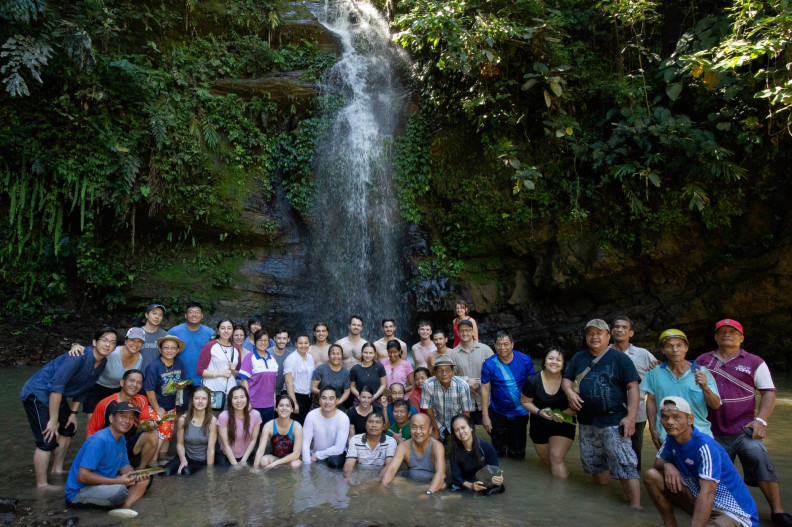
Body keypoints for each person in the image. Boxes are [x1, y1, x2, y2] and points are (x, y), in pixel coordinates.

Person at [695, 319, 792, 526]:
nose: (727, 335)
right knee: (713, 473)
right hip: (712, 430)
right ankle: (718, 510)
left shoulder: (755, 362)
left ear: (741, 337)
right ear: (715, 336)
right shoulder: (703, 361)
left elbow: (768, 393)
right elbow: (686, 379)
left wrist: (760, 421)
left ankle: (777, 511)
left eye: (733, 332)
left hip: (744, 428)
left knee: (758, 456)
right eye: (722, 332)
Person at [561, 318, 642, 509]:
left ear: (608, 335)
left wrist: (630, 418)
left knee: (625, 464)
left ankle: (636, 507)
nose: (594, 337)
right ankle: (603, 503)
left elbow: (633, 387)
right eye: (590, 333)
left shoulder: (620, 358)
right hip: (587, 421)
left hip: (613, 419)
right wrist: (570, 392)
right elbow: (567, 379)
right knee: (595, 463)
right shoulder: (579, 357)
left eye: (599, 333)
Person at [21, 327, 114, 489]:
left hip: (56, 395)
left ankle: (57, 469)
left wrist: (73, 413)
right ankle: (42, 485)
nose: (107, 345)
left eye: (112, 342)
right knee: (47, 438)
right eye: (104, 340)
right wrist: (53, 420)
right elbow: (56, 387)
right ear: (94, 342)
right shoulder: (77, 357)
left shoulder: (102, 362)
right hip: (38, 392)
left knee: (68, 428)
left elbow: (85, 387)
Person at [643, 396, 759, 527]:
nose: (669, 422)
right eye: (665, 417)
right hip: (702, 501)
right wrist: (667, 465)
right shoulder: (672, 439)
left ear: (690, 419)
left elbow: (708, 492)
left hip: (732, 513)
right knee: (651, 476)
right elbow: (657, 464)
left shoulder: (705, 447)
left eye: (676, 417)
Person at [64, 402, 151, 517]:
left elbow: (124, 466)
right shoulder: (99, 440)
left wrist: (135, 475)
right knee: (120, 490)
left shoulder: (121, 438)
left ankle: (124, 506)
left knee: (145, 478)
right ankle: (118, 503)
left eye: (131, 418)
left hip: (104, 482)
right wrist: (119, 481)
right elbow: (83, 476)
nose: (127, 421)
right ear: (111, 418)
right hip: (79, 492)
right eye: (123, 416)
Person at [643, 329, 720, 449]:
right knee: (665, 467)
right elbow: (651, 401)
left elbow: (716, 405)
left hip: (699, 436)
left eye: (679, 345)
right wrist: (653, 430)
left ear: (686, 348)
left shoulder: (702, 372)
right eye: (669, 346)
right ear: (663, 350)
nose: (675, 350)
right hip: (666, 436)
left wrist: (704, 387)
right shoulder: (654, 372)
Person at [86, 369, 159, 469]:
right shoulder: (105, 404)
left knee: (153, 434)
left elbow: (144, 424)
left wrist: (151, 426)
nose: (134, 385)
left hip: (125, 445)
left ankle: (141, 469)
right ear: (122, 382)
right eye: (131, 381)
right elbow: (91, 432)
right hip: (107, 447)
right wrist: (90, 459)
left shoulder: (141, 400)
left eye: (138, 382)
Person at [521, 346, 576, 477]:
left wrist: (561, 416)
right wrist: (539, 412)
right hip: (539, 424)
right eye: (550, 358)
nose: (554, 362)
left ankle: (561, 494)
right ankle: (548, 489)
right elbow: (525, 402)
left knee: (556, 458)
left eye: (558, 360)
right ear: (544, 361)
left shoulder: (569, 382)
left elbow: (575, 407)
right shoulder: (533, 380)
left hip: (563, 424)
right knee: (545, 460)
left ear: (563, 365)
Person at [611, 315, 658, 470]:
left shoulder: (642, 354)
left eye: (624, 327)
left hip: (637, 411)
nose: (620, 330)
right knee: (610, 449)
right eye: (617, 327)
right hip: (610, 410)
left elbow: (659, 373)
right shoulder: (604, 353)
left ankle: (633, 481)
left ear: (631, 333)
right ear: (611, 331)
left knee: (634, 451)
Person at [481, 331, 535, 459]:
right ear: (494, 345)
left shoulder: (525, 360)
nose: (502, 348)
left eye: (506, 344)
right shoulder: (489, 364)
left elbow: (533, 384)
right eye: (499, 344)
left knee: (517, 453)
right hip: (497, 412)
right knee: (497, 451)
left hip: (520, 413)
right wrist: (485, 416)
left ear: (512, 344)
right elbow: (485, 388)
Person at [78, 327, 145, 420]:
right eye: (132, 340)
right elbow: (93, 353)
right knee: (94, 424)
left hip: (116, 392)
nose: (135, 344)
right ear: (125, 341)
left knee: (112, 424)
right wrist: (76, 346)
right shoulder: (112, 353)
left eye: (139, 341)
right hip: (96, 389)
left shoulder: (139, 358)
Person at [142, 334, 187, 463]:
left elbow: (181, 385)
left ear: (177, 350)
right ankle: (153, 460)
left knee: (168, 432)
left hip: (171, 404)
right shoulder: (154, 366)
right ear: (160, 350)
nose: (169, 350)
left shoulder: (180, 363)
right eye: (166, 348)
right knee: (162, 431)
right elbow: (148, 390)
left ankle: (163, 456)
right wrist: (157, 409)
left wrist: (178, 406)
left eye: (173, 348)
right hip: (156, 405)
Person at [380, 413, 446, 496]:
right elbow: (392, 469)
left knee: (442, 485)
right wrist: (383, 486)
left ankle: (414, 490)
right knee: (391, 478)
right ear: (410, 428)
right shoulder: (403, 446)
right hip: (410, 481)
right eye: (414, 428)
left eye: (422, 428)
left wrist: (428, 493)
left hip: (429, 483)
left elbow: (441, 474)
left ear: (430, 430)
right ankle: (414, 490)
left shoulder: (437, 446)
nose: (418, 431)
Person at [163, 386, 217, 476]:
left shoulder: (212, 421)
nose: (200, 401)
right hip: (186, 456)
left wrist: (209, 470)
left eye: (204, 399)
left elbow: (211, 449)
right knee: (165, 472)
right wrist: (183, 459)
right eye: (197, 398)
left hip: (201, 460)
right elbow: (180, 444)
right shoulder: (183, 419)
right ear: (192, 400)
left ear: (208, 401)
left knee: (186, 473)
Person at [447, 414, 504, 495]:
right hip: (467, 482)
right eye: (456, 430)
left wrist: (499, 478)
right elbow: (456, 477)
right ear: (454, 434)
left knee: (499, 487)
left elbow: (496, 469)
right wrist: (472, 486)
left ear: (471, 428)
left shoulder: (486, 447)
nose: (461, 432)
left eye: (463, 428)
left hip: (485, 481)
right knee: (453, 487)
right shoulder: (454, 452)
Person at [420, 355, 473, 442]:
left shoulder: (462, 385)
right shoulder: (428, 385)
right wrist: (436, 430)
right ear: (435, 372)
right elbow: (428, 409)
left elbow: (466, 412)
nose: (444, 374)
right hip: (438, 422)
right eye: (440, 370)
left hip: (458, 422)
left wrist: (461, 430)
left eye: (448, 370)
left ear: (453, 371)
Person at [449, 319, 493, 423]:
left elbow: (496, 372)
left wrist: (480, 381)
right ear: (458, 333)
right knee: (467, 433)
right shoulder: (452, 354)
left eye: (468, 330)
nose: (465, 333)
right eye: (462, 331)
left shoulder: (485, 350)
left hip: (486, 400)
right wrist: (466, 380)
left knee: (493, 430)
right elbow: (448, 377)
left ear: (472, 332)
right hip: (465, 402)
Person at [302, 386, 350, 468]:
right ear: (320, 401)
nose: (327, 402)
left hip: (335, 457)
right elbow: (305, 444)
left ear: (337, 401)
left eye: (331, 398)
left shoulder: (343, 418)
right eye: (324, 398)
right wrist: (307, 466)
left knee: (335, 463)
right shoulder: (311, 416)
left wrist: (317, 455)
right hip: (314, 455)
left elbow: (339, 448)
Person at [238, 329, 279, 424]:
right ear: (255, 342)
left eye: (265, 340)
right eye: (260, 340)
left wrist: (274, 401)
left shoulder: (272, 358)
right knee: (252, 432)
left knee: (265, 432)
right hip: (253, 403)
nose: (263, 343)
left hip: (269, 404)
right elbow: (244, 381)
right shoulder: (249, 357)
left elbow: (273, 383)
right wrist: (247, 402)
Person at [168, 302, 213, 386]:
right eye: (191, 312)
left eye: (197, 312)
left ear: (202, 315)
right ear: (185, 315)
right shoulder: (174, 332)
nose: (194, 315)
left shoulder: (210, 333)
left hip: (203, 379)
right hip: (180, 379)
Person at [217, 385, 262, 467]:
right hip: (226, 455)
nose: (239, 401)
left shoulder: (255, 415)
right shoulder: (223, 416)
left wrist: (243, 462)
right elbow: (225, 444)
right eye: (235, 398)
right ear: (230, 400)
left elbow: (253, 440)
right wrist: (235, 465)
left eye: (242, 397)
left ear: (247, 399)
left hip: (246, 454)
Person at [255, 394, 303, 468]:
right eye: (281, 405)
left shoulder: (297, 427)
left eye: (287, 406)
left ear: (292, 409)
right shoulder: (269, 425)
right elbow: (261, 450)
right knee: (263, 460)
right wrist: (255, 468)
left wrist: (275, 463)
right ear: (276, 408)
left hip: (292, 459)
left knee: (295, 464)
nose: (284, 408)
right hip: (275, 457)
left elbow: (296, 454)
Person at [343, 411, 396, 478]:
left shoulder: (390, 441)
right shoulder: (355, 440)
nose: (374, 425)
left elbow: (389, 466)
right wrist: (347, 478)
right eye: (370, 422)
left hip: (381, 476)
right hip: (360, 475)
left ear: (384, 426)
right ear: (365, 425)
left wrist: (376, 481)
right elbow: (349, 464)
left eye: (378, 422)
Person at [197, 319, 240, 397]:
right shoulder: (210, 346)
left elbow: (237, 373)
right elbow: (200, 371)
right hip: (212, 390)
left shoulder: (236, 349)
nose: (226, 331)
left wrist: (234, 370)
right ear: (217, 331)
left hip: (231, 391)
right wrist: (221, 374)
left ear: (233, 331)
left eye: (229, 328)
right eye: (223, 328)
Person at [284, 334, 316, 424]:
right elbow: (288, 382)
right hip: (295, 396)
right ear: (295, 344)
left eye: (306, 343)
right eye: (300, 343)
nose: (303, 346)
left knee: (304, 424)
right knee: (295, 424)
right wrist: (294, 403)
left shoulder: (310, 358)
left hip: (307, 397)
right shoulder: (291, 359)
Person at [349, 341, 387, 406]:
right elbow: (352, 386)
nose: (368, 355)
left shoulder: (379, 366)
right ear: (362, 353)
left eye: (370, 353)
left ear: (374, 354)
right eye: (365, 352)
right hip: (359, 402)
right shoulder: (355, 369)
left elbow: (383, 384)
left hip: (376, 401)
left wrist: (374, 396)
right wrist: (361, 397)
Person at [140, 304, 168, 369]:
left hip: (157, 374)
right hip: (138, 375)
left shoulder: (164, 335)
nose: (157, 317)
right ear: (146, 315)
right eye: (154, 313)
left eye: (160, 315)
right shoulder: (137, 333)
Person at [271, 328, 295, 394]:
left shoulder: (291, 356)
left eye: (284, 338)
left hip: (286, 392)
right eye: (279, 338)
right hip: (269, 392)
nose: (281, 341)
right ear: (274, 338)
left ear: (288, 340)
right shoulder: (267, 354)